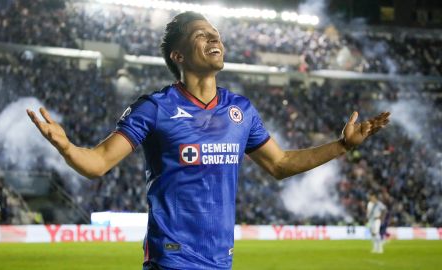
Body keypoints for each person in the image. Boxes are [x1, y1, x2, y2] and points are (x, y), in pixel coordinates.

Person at [27, 11, 390, 270]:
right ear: (178, 55)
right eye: (201, 34)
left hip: (221, 260)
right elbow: (98, 163)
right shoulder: (155, 108)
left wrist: (341, 146)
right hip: (171, 258)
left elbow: (279, 165)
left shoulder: (241, 110)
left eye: (215, 33)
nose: (214, 38)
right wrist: (66, 146)